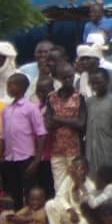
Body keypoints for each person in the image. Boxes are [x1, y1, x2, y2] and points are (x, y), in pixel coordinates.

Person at [44, 61, 87, 191]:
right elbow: (48, 124)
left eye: (70, 77)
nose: (68, 80)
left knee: (75, 184)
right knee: (59, 186)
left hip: (74, 149)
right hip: (56, 149)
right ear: (58, 78)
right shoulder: (51, 98)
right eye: (65, 77)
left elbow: (81, 124)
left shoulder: (79, 97)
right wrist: (70, 120)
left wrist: (57, 117)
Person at [45, 156, 96, 224]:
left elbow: (90, 205)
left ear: (87, 170)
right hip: (71, 217)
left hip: (84, 220)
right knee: (50, 204)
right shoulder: (69, 179)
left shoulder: (91, 185)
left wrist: (79, 183)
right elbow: (59, 197)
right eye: (76, 168)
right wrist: (69, 209)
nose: (79, 171)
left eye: (82, 169)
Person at [84, 68, 112, 175]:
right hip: (92, 146)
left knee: (107, 177)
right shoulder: (89, 102)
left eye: (99, 82)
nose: (95, 86)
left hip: (108, 147)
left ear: (106, 82)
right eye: (93, 83)